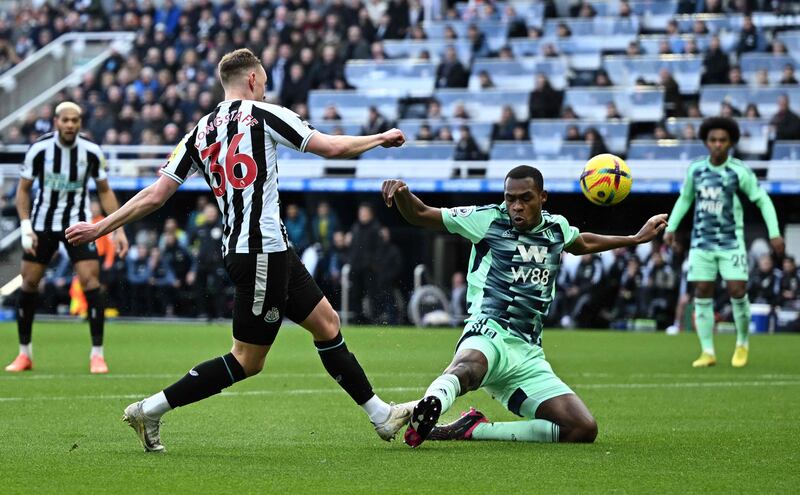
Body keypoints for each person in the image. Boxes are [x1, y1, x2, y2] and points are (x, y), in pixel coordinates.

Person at [66, 48, 412, 452]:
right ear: (251, 80)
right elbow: (332, 148)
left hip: (264, 248)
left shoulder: (200, 129)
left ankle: (380, 416)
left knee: (326, 322)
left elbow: (155, 196)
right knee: (248, 360)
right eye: (263, 82)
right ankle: (150, 409)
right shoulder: (264, 114)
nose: (265, 90)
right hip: (262, 251)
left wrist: (100, 227)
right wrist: (381, 138)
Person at [381, 166, 667, 447]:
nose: (516, 206)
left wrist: (634, 239)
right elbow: (421, 214)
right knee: (468, 367)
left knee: (581, 428)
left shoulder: (557, 228)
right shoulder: (488, 220)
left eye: (525, 198)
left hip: (528, 352)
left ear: (542, 197)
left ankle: (472, 430)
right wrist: (404, 194)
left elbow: (580, 242)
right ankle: (434, 404)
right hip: (488, 331)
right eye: (510, 198)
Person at [7, 101, 129, 374]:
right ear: (56, 121)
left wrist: (118, 229)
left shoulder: (91, 151)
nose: (71, 125)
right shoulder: (39, 149)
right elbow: (23, 191)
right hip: (42, 223)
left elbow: (105, 191)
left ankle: (97, 354)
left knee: (91, 282)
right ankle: (24, 353)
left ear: (80, 122)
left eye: (75, 120)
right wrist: (26, 225)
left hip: (78, 224)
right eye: (66, 120)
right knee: (29, 283)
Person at [663, 117, 783, 368]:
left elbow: (762, 199)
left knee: (737, 291)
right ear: (706, 142)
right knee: (702, 293)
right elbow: (684, 199)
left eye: (723, 140)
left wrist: (774, 232)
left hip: (731, 243)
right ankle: (708, 351)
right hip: (701, 244)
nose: (718, 144)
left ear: (731, 143)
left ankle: (742, 343)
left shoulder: (738, 171)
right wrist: (671, 227)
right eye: (713, 140)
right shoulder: (696, 169)